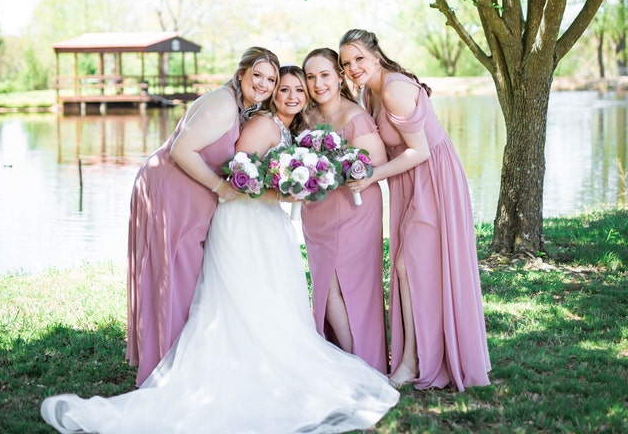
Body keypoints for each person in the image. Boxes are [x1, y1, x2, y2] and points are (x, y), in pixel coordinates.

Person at [40, 65, 399, 434]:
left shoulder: (285, 128)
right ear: (271, 94)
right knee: (245, 295)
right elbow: (238, 173)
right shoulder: (263, 124)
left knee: (268, 296)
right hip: (244, 221)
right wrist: (284, 189)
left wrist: (295, 184)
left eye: (297, 90)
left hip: (264, 220)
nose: (291, 96)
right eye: (283, 89)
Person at [339, 29, 491, 392]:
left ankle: (413, 360)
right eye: (346, 63)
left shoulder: (394, 88)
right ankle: (416, 354)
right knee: (409, 267)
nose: (353, 67)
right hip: (409, 182)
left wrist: (372, 176)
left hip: (433, 179)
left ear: (376, 55)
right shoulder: (369, 92)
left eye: (359, 58)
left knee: (410, 266)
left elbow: (420, 151)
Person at [126, 47, 280, 385]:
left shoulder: (237, 106)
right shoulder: (222, 103)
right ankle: (165, 368)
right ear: (241, 74)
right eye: (258, 75)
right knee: (173, 276)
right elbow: (181, 148)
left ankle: (173, 357)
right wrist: (219, 187)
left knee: (180, 274)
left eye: (271, 79)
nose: (264, 84)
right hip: (170, 190)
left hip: (186, 193)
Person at [301, 48, 389, 373]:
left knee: (343, 281)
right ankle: (339, 356)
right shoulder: (306, 116)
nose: (317, 83)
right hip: (317, 213)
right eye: (311, 77)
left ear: (339, 76)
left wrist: (345, 168)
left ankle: (356, 364)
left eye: (324, 74)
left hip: (355, 209)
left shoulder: (356, 118)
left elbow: (376, 164)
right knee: (323, 282)